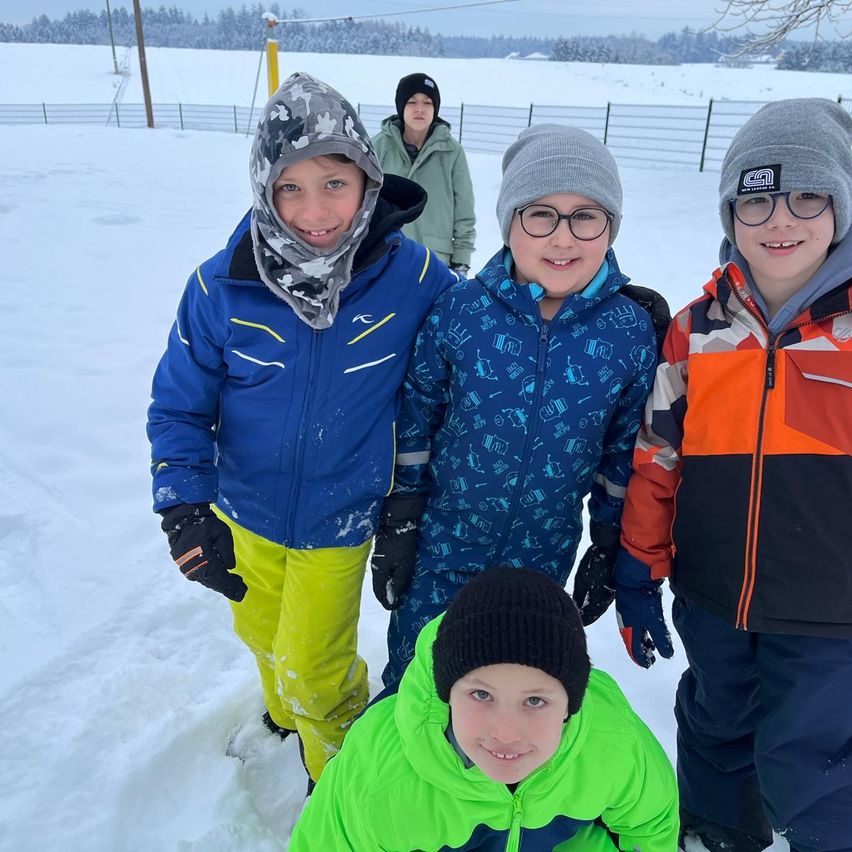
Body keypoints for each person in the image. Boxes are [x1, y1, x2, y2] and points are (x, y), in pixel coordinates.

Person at [146, 72, 455, 789]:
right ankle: (284, 716)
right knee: (260, 634)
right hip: (243, 511)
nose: (314, 211)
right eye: (290, 188)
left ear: (368, 181)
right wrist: (184, 507)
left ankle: (336, 782)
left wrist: (561, 294)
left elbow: (481, 327)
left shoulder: (411, 279)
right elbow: (179, 404)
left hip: (339, 517)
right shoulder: (221, 286)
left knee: (318, 672)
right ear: (263, 189)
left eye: (334, 183)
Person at [612, 98, 852, 852]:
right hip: (714, 593)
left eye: (807, 195)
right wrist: (637, 566)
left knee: (812, 759)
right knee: (715, 724)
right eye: (757, 198)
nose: (780, 220)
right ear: (731, 211)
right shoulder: (696, 330)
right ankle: (715, 834)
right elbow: (658, 458)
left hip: (827, 611)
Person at [371, 123, 670, 685]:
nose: (563, 239)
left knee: (513, 690)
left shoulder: (628, 331)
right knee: (416, 682)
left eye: (586, 216)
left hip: (540, 559)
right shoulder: (461, 311)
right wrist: (401, 521)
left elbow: (622, 456)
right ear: (510, 223)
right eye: (541, 215)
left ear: (611, 228)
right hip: (443, 548)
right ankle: (390, 771)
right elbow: (415, 422)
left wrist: (607, 542)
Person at [289, 566, 679, 851]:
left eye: (535, 700)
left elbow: (651, 825)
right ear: (447, 693)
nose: (506, 732)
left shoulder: (610, 741)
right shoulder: (379, 778)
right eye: (481, 695)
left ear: (570, 706)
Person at [373, 72, 476, 275]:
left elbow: (464, 210)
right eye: (412, 102)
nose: (419, 109)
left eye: (427, 102)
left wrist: (461, 262)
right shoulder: (378, 147)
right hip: (388, 257)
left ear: (435, 108)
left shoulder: (452, 151)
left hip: (436, 261)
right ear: (401, 106)